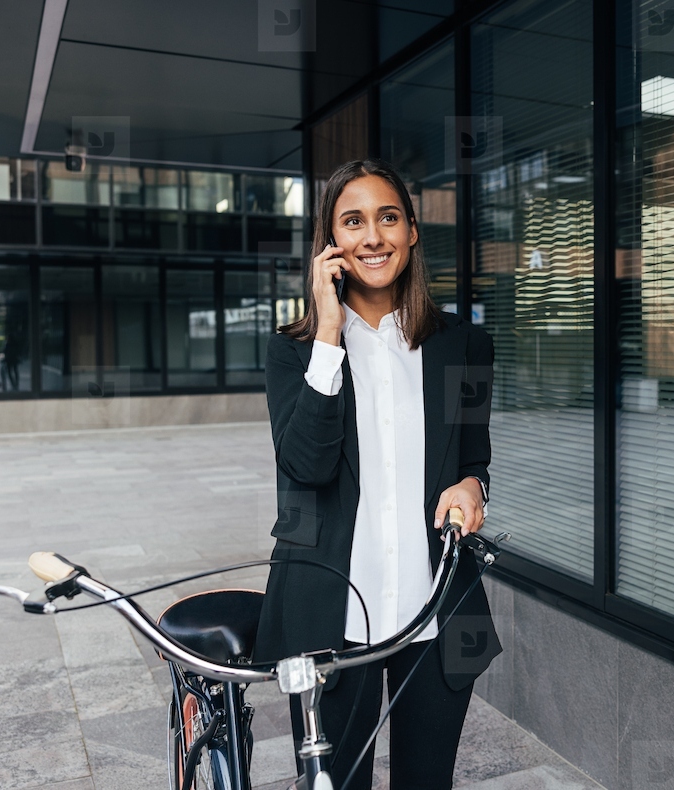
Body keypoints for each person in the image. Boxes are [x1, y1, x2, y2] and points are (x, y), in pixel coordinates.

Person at [252, 158, 501, 790]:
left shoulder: (462, 346)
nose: (373, 236)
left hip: (435, 609)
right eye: (353, 221)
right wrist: (329, 335)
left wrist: (472, 490)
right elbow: (304, 464)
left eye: (388, 217)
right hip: (331, 616)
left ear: (412, 231)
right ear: (331, 243)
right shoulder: (293, 352)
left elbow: (474, 462)